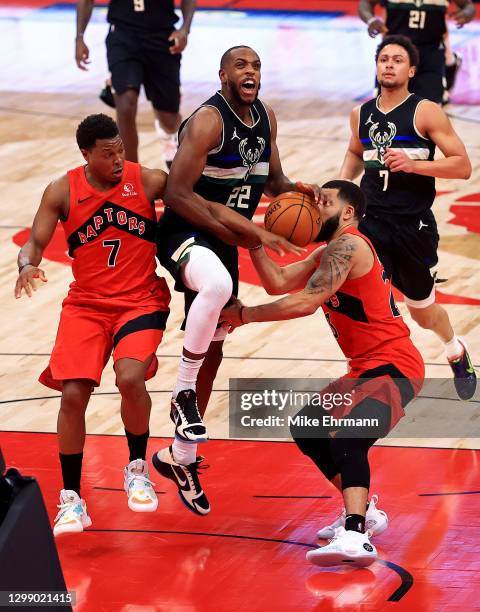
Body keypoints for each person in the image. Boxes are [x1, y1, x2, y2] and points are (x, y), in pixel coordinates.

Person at [221, 180, 425, 567]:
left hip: (393, 365)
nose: (316, 209)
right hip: (365, 368)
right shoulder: (328, 252)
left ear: (347, 212)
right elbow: (277, 282)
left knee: (351, 434)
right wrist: (253, 240)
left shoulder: (349, 245)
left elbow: (305, 302)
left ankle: (355, 534)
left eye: (325, 202)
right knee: (309, 426)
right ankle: (367, 513)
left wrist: (245, 316)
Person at [151, 45, 318, 516]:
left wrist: (297, 191)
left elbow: (273, 180)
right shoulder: (207, 121)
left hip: (225, 239)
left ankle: (180, 457)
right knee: (219, 288)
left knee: (216, 342)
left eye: (257, 66)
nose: (250, 72)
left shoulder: (265, 116)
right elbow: (176, 193)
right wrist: (247, 233)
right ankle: (182, 393)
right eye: (241, 65)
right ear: (223, 74)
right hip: (187, 231)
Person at [14, 114, 172, 536]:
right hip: (87, 306)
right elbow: (34, 240)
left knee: (131, 376)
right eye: (108, 154)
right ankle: (72, 500)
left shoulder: (147, 180)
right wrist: (27, 264)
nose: (118, 159)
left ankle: (137, 469)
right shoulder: (63, 190)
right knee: (72, 393)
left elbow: (194, 197)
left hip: (140, 300)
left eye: (120, 149)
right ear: (86, 154)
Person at [340, 35, 476, 400]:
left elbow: (462, 166)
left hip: (412, 227)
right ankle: (372, 370)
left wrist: (416, 165)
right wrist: (337, 186)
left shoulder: (425, 111)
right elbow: (355, 153)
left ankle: (454, 347)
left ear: (411, 70)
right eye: (383, 58)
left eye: (397, 59)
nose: (388, 64)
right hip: (370, 223)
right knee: (368, 301)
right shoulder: (361, 113)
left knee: (423, 312)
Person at [75, 0, 197, 165]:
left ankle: (167, 134)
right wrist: (79, 37)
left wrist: (185, 30)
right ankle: (131, 176)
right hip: (123, 35)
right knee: (126, 104)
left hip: (162, 36)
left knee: (169, 119)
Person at [358, 0, 475, 103]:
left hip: (430, 51)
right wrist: (371, 20)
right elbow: (366, 3)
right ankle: (450, 63)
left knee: (429, 110)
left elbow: (468, 5)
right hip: (396, 52)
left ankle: (449, 66)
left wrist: (467, 14)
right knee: (387, 109)